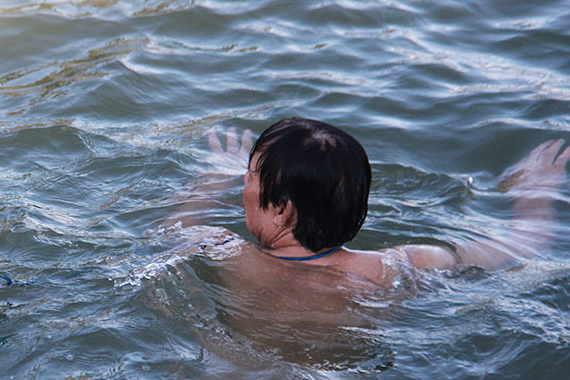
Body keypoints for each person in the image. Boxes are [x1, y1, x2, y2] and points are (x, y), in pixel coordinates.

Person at [165, 117, 570, 287]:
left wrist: (211, 180)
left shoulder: (225, 252)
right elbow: (522, 248)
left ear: (283, 208)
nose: (243, 187)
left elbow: (166, 235)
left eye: (249, 176)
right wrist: (536, 191)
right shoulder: (394, 269)